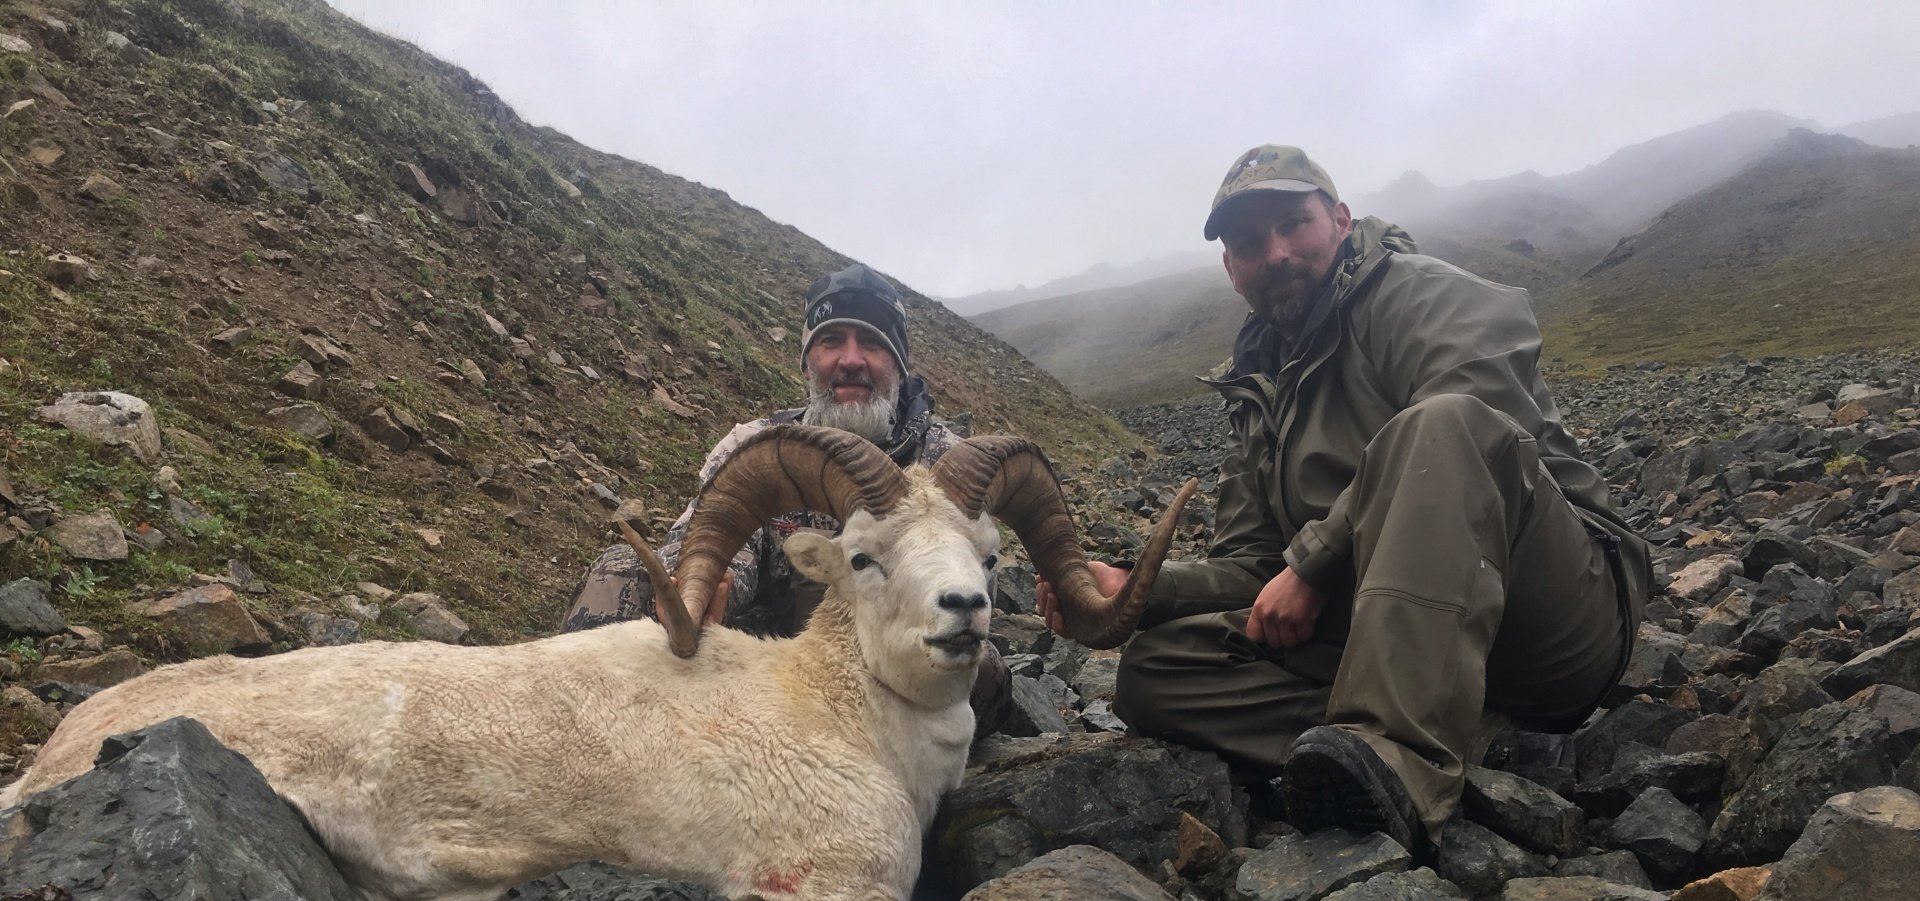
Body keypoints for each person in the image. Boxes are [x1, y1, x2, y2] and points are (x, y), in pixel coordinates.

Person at [1040, 145, 1649, 850]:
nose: (1275, 253)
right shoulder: (1259, 387)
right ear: (1232, 269)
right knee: (1155, 674)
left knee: (1440, 424)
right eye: (1249, 243)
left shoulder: (1424, 294)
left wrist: (1316, 561)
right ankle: (1463, 736)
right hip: (1395, 633)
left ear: (1339, 218)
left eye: (1293, 224)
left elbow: (1479, 424)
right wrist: (1139, 593)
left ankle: (1400, 762)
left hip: (1557, 622)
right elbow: (1254, 571)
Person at [562, 263, 1010, 733]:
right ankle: (575, 738)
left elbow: (978, 585)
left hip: (898, 659)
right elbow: (705, 538)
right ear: (808, 361)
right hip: (770, 660)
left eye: (873, 343)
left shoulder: (951, 465)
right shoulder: (759, 446)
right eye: (832, 340)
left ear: (898, 363)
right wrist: (706, 585)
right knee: (624, 574)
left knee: (987, 672)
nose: (851, 359)